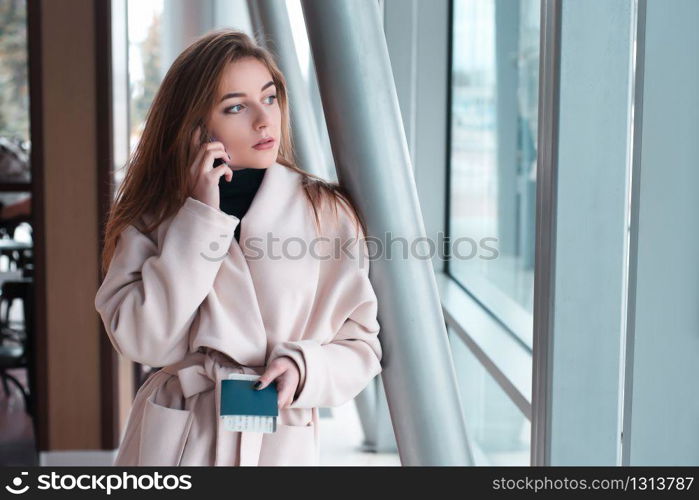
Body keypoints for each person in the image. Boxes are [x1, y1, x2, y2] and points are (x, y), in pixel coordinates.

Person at [94, 28, 383, 466]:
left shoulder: (326, 212)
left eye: (269, 98)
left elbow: (361, 345)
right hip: (179, 438)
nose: (264, 120)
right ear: (195, 125)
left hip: (279, 433)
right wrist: (201, 219)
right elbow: (143, 341)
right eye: (236, 107)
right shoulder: (156, 215)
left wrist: (305, 368)